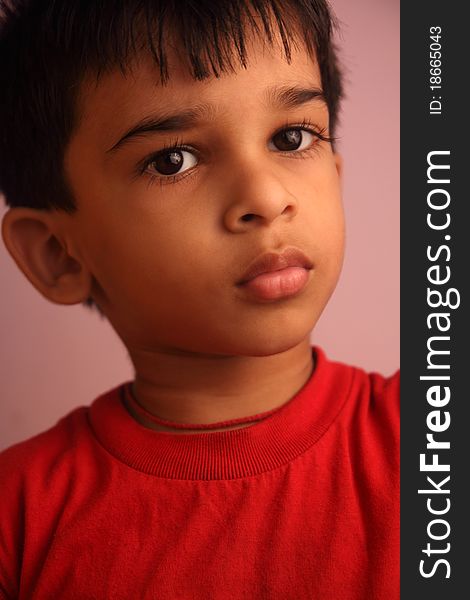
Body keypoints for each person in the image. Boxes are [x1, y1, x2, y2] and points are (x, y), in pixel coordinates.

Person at [0, 1, 399, 598]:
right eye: (172, 160)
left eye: (291, 138)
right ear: (57, 253)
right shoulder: (19, 516)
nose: (266, 196)